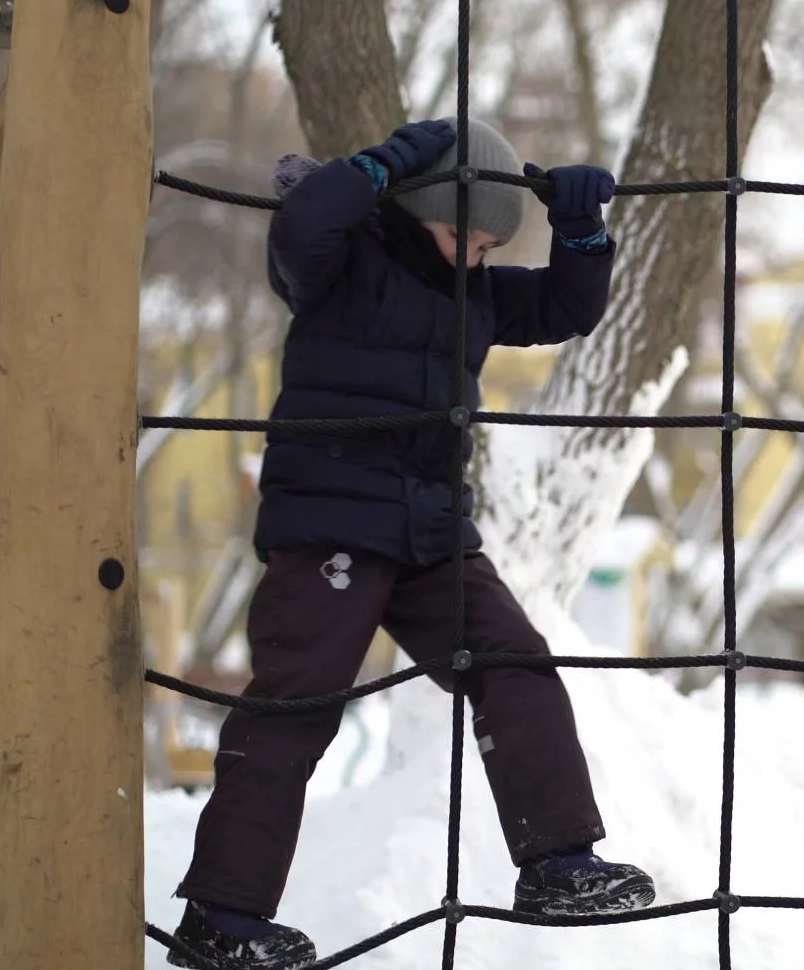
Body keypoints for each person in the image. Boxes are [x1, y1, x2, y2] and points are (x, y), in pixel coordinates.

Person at [168, 117, 654, 970]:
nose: (472, 254)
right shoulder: (341, 264)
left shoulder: (476, 294)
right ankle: (223, 915)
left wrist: (580, 230)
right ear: (419, 204)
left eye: (488, 243)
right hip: (333, 519)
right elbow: (301, 225)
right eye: (460, 233)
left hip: (431, 528)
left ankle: (557, 863)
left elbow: (569, 308)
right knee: (296, 704)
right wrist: (386, 162)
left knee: (514, 663)